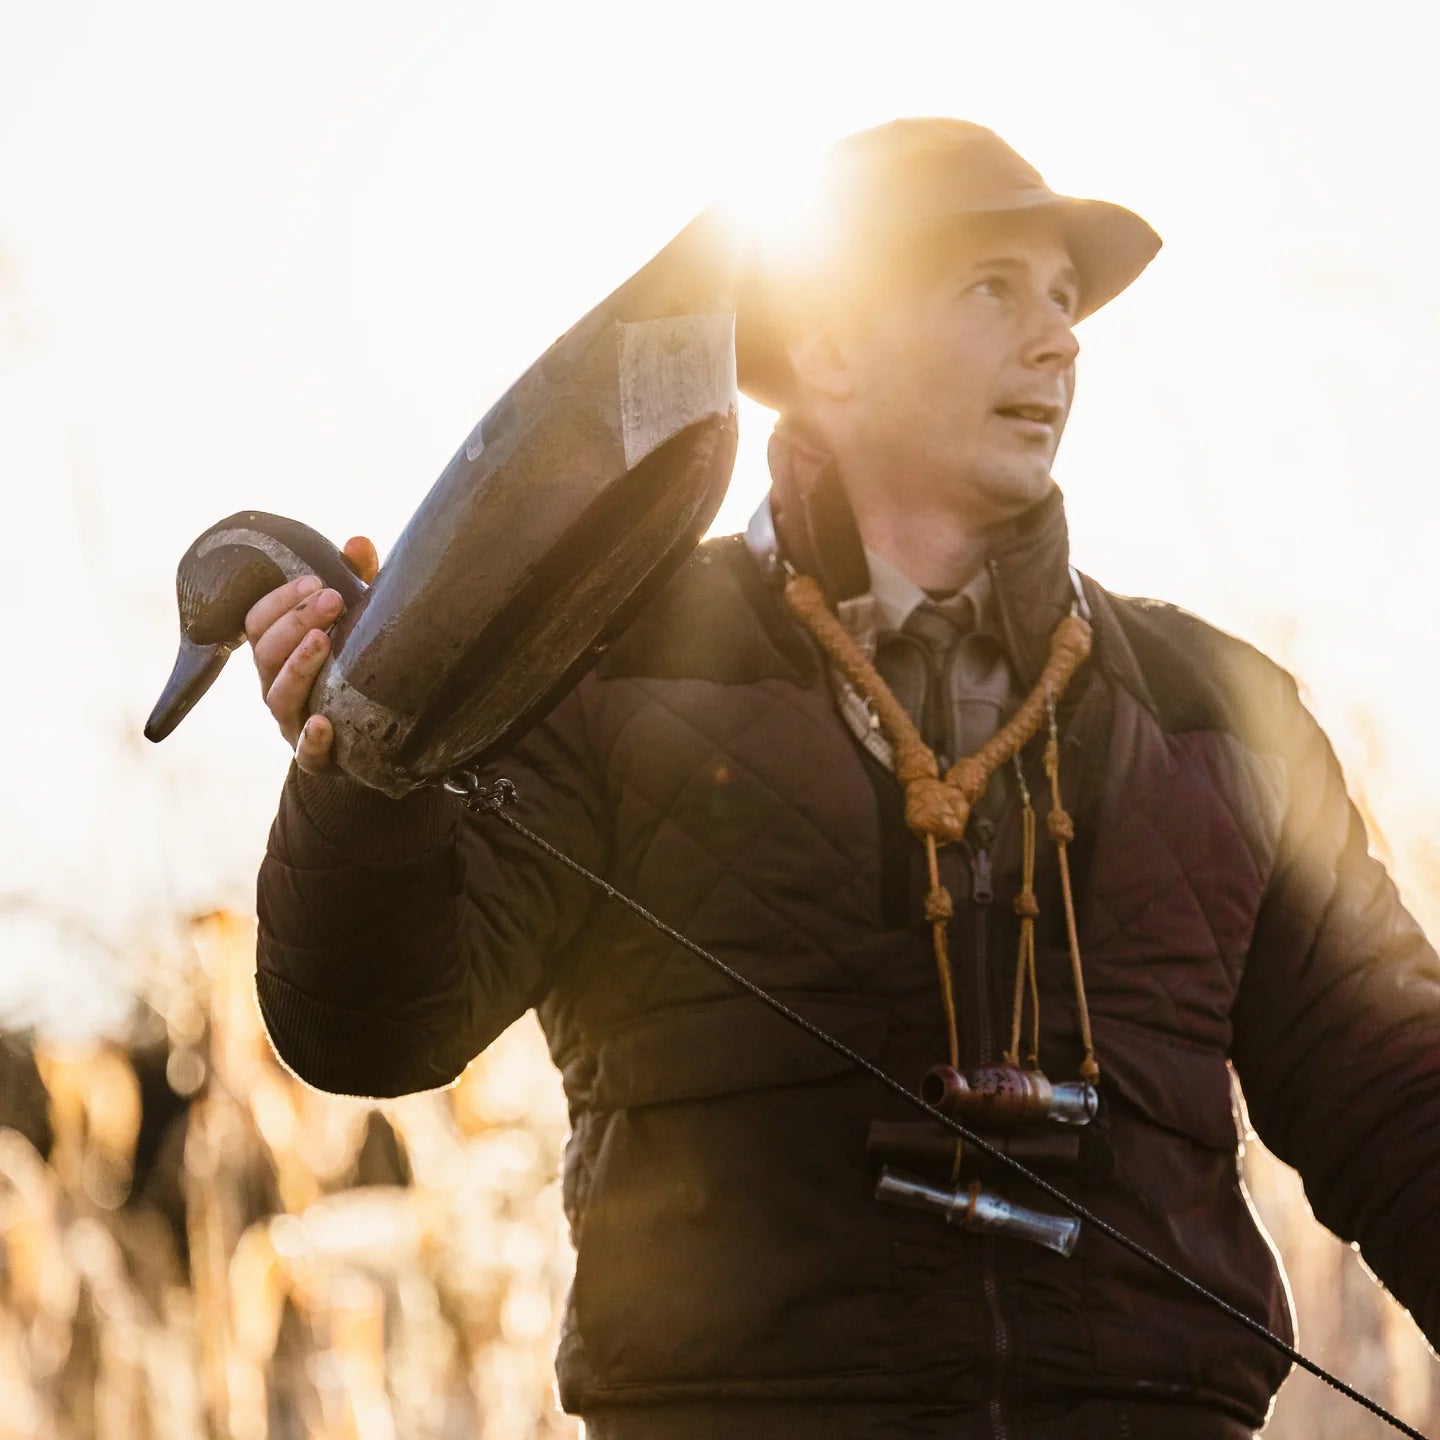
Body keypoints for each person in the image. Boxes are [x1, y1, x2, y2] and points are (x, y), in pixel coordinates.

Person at [246, 119, 1440, 1439]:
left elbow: (1397, 1102)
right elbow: (368, 1025)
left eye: (1063, 300)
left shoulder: (1226, 710)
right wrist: (361, 783)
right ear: (826, 350)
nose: (1059, 340)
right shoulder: (603, 675)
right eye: (992, 289)